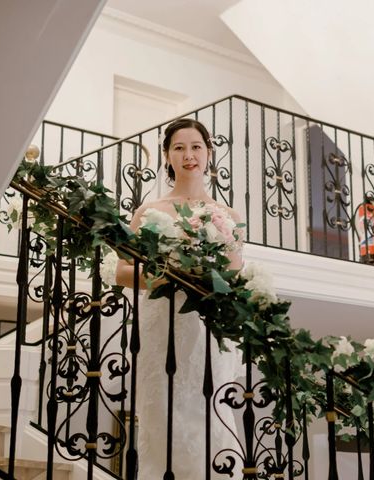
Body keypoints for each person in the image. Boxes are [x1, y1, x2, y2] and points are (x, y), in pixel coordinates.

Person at [115, 118, 244, 479]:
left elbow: (232, 277)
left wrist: (203, 277)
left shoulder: (228, 215)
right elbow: (122, 271)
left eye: (196, 147)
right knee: (162, 412)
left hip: (207, 327)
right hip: (162, 322)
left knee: (210, 410)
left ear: (208, 153)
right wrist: (170, 275)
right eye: (179, 147)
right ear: (167, 156)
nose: (189, 155)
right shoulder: (151, 211)